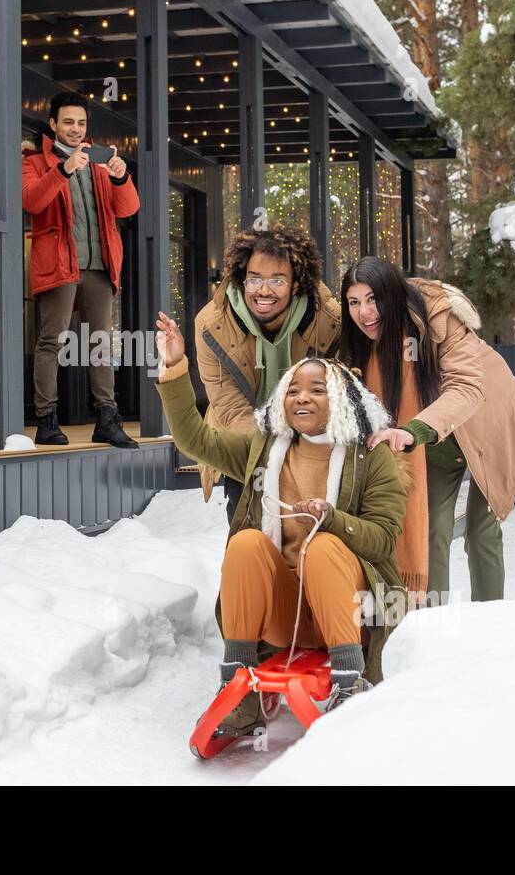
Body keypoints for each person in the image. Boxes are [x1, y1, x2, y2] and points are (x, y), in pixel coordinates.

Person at [155, 311, 408, 739]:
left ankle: (349, 686)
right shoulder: (264, 448)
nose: (301, 398)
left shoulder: (371, 456)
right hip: (284, 614)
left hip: (349, 612)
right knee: (247, 542)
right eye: (292, 390)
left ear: (342, 400)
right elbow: (196, 440)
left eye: (316, 390)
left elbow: (383, 540)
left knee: (324, 546)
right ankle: (239, 687)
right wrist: (176, 368)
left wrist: (332, 520)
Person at [337, 256, 515, 604]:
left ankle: (489, 618)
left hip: (489, 424)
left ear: (391, 293)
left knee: (482, 530)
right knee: (430, 527)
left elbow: (466, 387)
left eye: (374, 298)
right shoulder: (361, 341)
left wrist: (414, 430)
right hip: (431, 438)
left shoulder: (440, 318)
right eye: (354, 302)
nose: (365, 312)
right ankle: (431, 623)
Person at [193, 225, 341, 522]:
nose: (263, 290)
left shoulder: (329, 321)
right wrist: (272, 453)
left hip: (310, 441)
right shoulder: (212, 325)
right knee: (246, 538)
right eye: (254, 279)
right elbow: (229, 405)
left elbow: (337, 392)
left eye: (277, 280)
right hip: (243, 440)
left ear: (296, 283)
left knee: (306, 540)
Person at [22, 91, 140, 448]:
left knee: (100, 343)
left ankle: (107, 417)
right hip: (59, 263)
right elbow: (32, 201)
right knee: (51, 341)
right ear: (54, 124)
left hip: (99, 267)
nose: (75, 129)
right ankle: (46, 420)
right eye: (68, 122)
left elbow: (128, 209)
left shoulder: (100, 161)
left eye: (81, 123)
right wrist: (63, 169)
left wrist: (120, 178)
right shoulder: (34, 160)